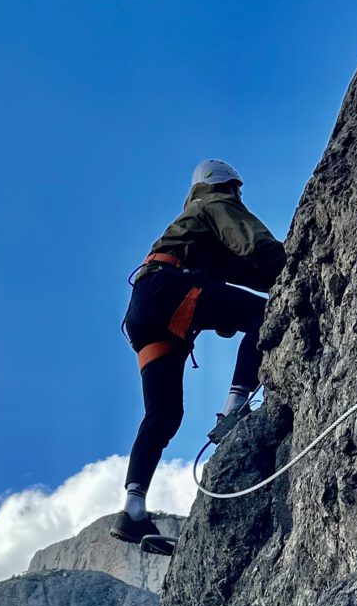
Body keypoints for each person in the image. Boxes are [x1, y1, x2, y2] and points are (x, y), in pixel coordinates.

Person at [112, 159, 286, 552]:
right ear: (228, 185)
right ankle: (234, 407)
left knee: (163, 414)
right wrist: (295, 263)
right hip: (169, 291)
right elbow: (254, 246)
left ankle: (133, 510)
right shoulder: (213, 202)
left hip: (145, 310)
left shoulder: (190, 228)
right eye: (237, 190)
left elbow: (241, 271)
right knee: (266, 315)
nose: (239, 196)